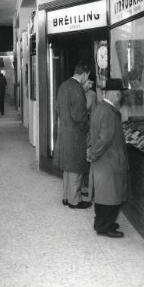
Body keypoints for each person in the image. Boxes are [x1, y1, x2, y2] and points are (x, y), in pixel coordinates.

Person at [87, 78, 128, 238]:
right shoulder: (109, 112)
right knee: (110, 196)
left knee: (104, 194)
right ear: (115, 94)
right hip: (108, 160)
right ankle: (105, 227)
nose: (120, 97)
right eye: (119, 93)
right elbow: (105, 137)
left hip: (102, 160)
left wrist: (90, 150)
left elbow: (93, 133)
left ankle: (102, 223)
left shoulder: (99, 107)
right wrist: (93, 153)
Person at [53, 61, 91, 209]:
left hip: (64, 131)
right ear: (83, 74)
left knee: (67, 167)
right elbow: (79, 115)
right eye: (87, 77)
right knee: (76, 166)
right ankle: (75, 200)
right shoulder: (77, 89)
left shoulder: (64, 85)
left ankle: (66, 197)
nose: (87, 80)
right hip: (75, 133)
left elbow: (59, 107)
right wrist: (87, 126)